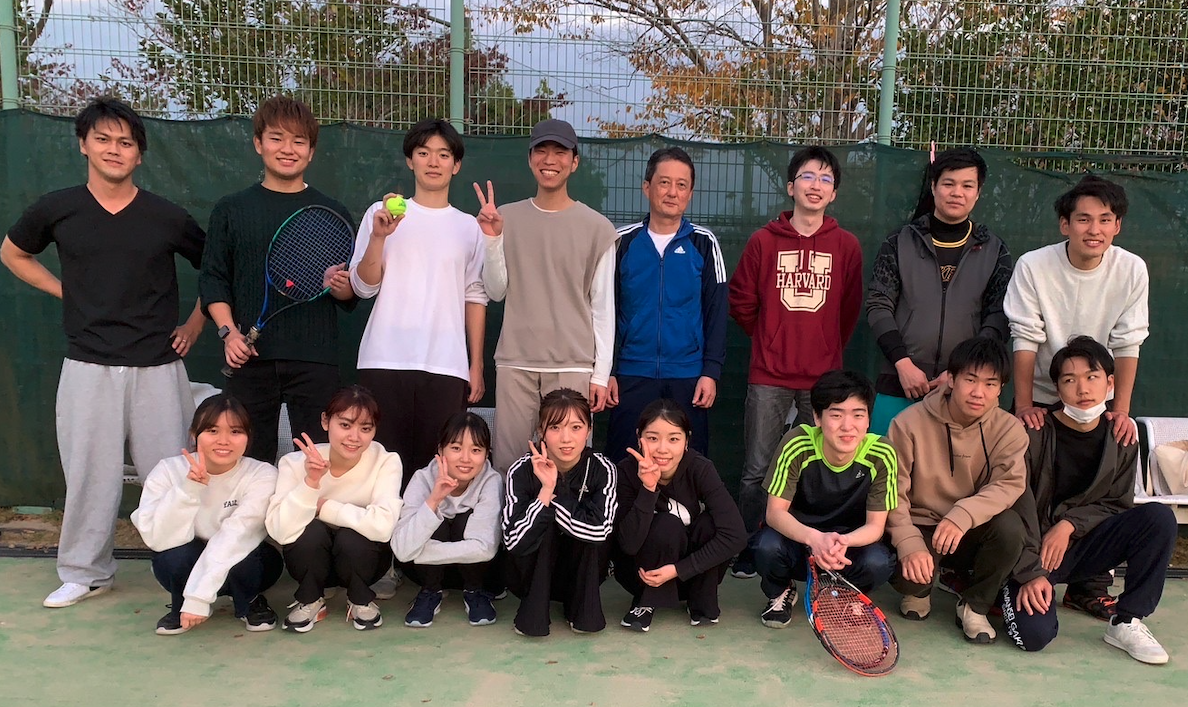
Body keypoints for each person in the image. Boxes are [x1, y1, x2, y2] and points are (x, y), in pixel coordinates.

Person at [1, 97, 206, 609]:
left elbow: (218, 270)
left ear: (139, 154)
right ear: (84, 145)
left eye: (126, 142)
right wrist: (64, 291)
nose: (114, 149)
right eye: (104, 139)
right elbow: (13, 252)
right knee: (88, 475)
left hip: (159, 367)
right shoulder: (57, 208)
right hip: (88, 364)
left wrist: (195, 324)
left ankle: (187, 571)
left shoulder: (167, 216)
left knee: (173, 474)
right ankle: (85, 572)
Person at [728, 146, 864, 579]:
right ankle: (750, 547)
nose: (815, 185)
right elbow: (741, 302)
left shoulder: (846, 246)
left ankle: (807, 547)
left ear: (834, 193)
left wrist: (823, 347)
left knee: (816, 468)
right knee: (757, 468)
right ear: (791, 187)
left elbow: (848, 310)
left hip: (823, 382)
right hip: (769, 375)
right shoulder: (763, 241)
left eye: (826, 179)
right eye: (807, 176)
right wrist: (771, 337)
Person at [1001, 336, 1176, 664]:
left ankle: (1127, 621)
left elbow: (1117, 504)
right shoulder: (1033, 432)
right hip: (1030, 552)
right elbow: (1013, 507)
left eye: (1092, 377)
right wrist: (1030, 572)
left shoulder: (1121, 437)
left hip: (1081, 546)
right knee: (1033, 636)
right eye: (1069, 380)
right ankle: (1004, 589)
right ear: (1057, 388)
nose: (1082, 389)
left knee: (1157, 518)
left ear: (1110, 383)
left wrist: (1069, 524)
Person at [199, 95, 355, 464]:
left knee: (316, 462)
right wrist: (229, 333)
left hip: (315, 359)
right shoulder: (231, 209)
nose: (288, 149)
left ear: (311, 152)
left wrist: (340, 285)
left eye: (299, 141)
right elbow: (214, 279)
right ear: (258, 143)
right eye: (276, 138)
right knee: (246, 464)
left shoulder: (332, 212)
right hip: (249, 361)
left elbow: (350, 296)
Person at [474, 119, 619, 473]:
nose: (550, 159)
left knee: (570, 465)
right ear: (529, 159)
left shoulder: (598, 228)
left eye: (560, 152)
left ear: (574, 161)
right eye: (541, 150)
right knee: (509, 464)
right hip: (516, 362)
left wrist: (600, 375)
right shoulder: (503, 217)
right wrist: (492, 239)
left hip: (573, 364)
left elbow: (602, 307)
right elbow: (495, 290)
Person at [350, 118, 487, 481]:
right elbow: (363, 287)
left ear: (456, 165)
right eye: (424, 153)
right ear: (410, 160)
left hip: (447, 367)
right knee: (380, 471)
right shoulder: (379, 215)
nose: (433, 162)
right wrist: (379, 237)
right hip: (383, 360)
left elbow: (475, 296)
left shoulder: (469, 227)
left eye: (443, 154)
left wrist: (475, 366)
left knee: (437, 473)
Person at [886, 336, 1028, 644]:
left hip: (970, 528)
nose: (979, 392)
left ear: (1001, 389)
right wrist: (908, 542)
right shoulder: (907, 423)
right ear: (951, 379)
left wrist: (962, 515)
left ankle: (974, 606)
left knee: (1010, 528)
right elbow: (892, 491)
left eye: (990, 384)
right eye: (970, 380)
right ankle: (920, 590)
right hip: (922, 525)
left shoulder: (1010, 430)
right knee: (907, 577)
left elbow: (1008, 484)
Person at [866, 147, 1013, 436]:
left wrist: (960, 372)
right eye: (948, 183)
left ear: (978, 192)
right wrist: (903, 364)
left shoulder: (995, 250)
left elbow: (999, 316)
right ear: (933, 186)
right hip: (900, 382)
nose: (957, 193)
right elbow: (878, 305)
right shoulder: (899, 241)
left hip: (964, 390)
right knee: (888, 462)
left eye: (967, 185)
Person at [604, 147, 728, 463]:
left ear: (690, 193)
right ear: (647, 187)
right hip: (631, 373)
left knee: (687, 466)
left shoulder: (704, 243)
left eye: (681, 185)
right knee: (626, 463)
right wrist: (608, 371)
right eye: (664, 182)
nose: (672, 192)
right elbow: (604, 310)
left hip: (688, 376)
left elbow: (717, 312)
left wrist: (710, 372)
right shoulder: (621, 241)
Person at [1005, 175, 1148, 449]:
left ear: (1117, 226)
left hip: (1097, 402)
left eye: (1105, 220)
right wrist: (1023, 406)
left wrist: (1120, 411)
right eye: (1084, 219)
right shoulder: (1032, 265)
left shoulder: (1132, 269)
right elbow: (1024, 337)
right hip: (1039, 402)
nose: (1094, 230)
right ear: (1065, 225)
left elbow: (1128, 342)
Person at [752, 370, 898, 629]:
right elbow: (774, 513)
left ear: (868, 420)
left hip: (848, 547)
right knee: (766, 546)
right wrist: (815, 539)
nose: (847, 426)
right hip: (800, 542)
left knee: (879, 562)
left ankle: (848, 594)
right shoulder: (797, 443)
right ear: (817, 418)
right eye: (836, 414)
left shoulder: (882, 453)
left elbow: (876, 527)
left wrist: (844, 542)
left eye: (858, 415)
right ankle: (781, 591)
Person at [131, 394, 283, 635]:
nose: (223, 440)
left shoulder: (261, 474)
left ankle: (250, 600)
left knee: (251, 555)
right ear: (194, 434)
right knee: (173, 557)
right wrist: (188, 490)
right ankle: (180, 605)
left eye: (235, 431)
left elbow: (239, 533)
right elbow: (157, 537)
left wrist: (198, 597)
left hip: (241, 560)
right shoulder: (168, 470)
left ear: (248, 437)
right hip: (189, 557)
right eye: (212, 431)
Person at [266, 385, 402, 632]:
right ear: (325, 421)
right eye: (345, 425)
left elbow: (383, 527)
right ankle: (310, 599)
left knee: (352, 536)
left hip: (364, 563)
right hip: (313, 564)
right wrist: (311, 483)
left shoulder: (386, 460)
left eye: (366, 428)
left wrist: (324, 507)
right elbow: (280, 531)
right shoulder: (294, 463)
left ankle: (360, 599)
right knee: (310, 531)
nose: (354, 437)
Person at [614, 399, 746, 632]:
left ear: (686, 441)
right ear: (638, 438)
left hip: (690, 573)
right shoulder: (626, 471)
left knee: (710, 524)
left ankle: (700, 600)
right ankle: (645, 602)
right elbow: (627, 544)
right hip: (642, 574)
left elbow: (736, 535)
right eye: (652, 438)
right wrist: (648, 489)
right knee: (667, 524)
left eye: (673, 439)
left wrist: (679, 570)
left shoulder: (700, 468)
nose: (662, 449)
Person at [502, 388, 617, 636]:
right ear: (541, 431)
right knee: (546, 525)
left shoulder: (602, 468)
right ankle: (533, 617)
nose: (566, 438)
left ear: (588, 430)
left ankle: (582, 613)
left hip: (582, 576)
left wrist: (556, 499)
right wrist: (546, 491)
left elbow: (600, 531)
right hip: (529, 577)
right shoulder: (520, 470)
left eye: (576, 427)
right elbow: (513, 542)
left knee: (586, 532)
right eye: (555, 427)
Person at [393, 412, 504, 628]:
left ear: (486, 455)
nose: (465, 458)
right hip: (428, 572)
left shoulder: (491, 480)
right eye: (456, 448)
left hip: (476, 570)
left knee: (465, 520)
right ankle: (430, 592)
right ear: (440, 449)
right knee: (435, 519)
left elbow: (486, 549)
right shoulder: (422, 479)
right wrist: (434, 500)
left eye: (476, 450)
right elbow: (401, 549)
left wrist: (420, 554)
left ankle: (474, 592)